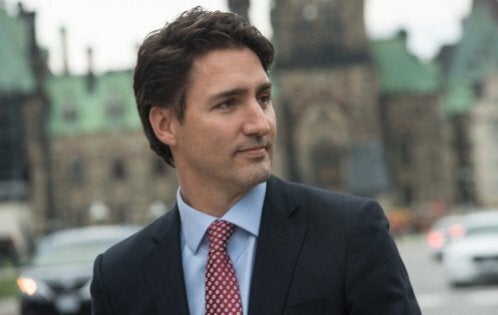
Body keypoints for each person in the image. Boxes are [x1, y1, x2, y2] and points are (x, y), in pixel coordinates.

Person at [90, 7, 421, 315]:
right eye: (227, 104)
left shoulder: (351, 235)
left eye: (263, 98)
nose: (260, 124)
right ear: (165, 125)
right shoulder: (119, 276)